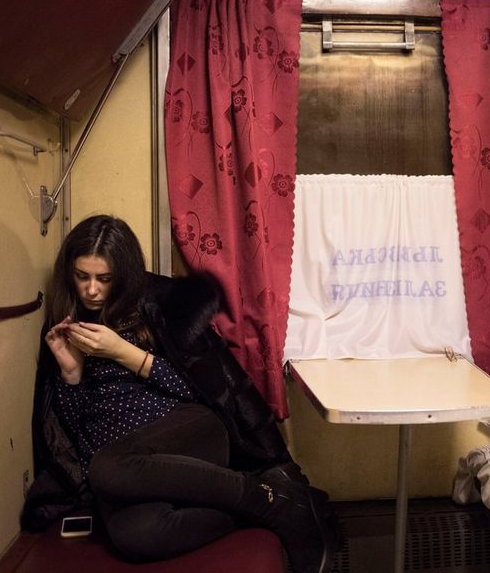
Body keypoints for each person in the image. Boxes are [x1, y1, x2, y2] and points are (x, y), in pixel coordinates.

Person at [23, 214, 337, 572]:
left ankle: (263, 500)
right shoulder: (67, 324)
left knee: (107, 467)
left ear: (123, 275)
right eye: (82, 277)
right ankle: (264, 507)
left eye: (103, 279)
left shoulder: (154, 307)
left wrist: (122, 352)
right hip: (128, 467)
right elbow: (73, 433)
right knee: (133, 535)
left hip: (189, 432)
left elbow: (202, 388)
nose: (91, 290)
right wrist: (71, 371)